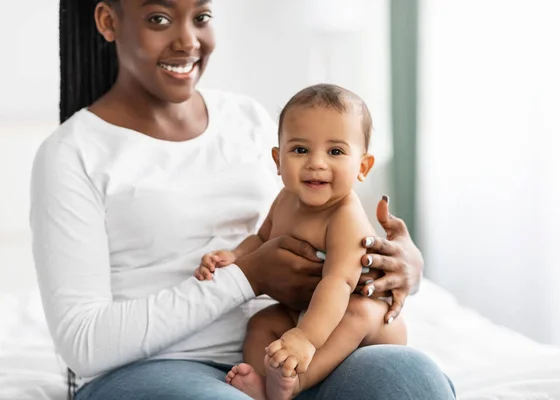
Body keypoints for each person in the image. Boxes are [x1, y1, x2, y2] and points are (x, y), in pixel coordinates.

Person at [30, 0, 456, 399]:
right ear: (108, 22)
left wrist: (400, 268)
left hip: (290, 350)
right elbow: (82, 343)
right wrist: (246, 276)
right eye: (159, 18)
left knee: (410, 379)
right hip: (159, 368)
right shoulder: (73, 153)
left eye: (201, 17)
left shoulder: (247, 119)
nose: (188, 41)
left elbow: (320, 233)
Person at [196, 83, 408, 400]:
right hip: (307, 312)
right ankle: (265, 385)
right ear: (278, 160)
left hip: (366, 325)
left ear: (362, 167)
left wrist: (305, 337)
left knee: (360, 311)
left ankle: (296, 383)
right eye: (300, 150)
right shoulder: (285, 199)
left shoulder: (344, 217)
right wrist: (235, 256)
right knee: (261, 323)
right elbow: (263, 237)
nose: (316, 163)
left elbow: (337, 283)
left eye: (335, 151)